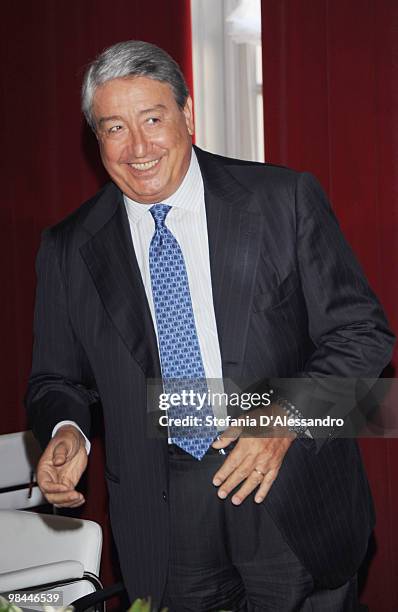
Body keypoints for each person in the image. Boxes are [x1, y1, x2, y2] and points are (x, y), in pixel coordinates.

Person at [26, 40, 394, 611]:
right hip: (165, 519)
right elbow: (56, 380)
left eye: (153, 119)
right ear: (96, 138)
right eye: (115, 128)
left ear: (187, 114)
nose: (139, 147)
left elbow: (365, 335)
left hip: (288, 487)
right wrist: (67, 431)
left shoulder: (282, 199)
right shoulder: (68, 248)